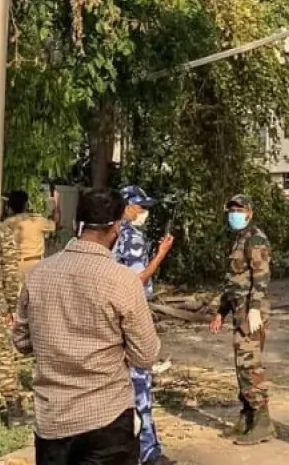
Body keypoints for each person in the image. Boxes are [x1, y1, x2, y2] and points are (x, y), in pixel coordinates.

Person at [15, 189, 160, 465]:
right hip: (107, 419)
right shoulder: (123, 281)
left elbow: (22, 342)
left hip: (53, 421)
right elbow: (146, 354)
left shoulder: (37, 275)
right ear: (116, 227)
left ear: (75, 224)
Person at [112, 185, 175, 465]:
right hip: (131, 316)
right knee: (140, 385)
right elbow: (137, 281)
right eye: (140, 207)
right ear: (126, 207)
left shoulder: (110, 234)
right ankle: (148, 452)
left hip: (110, 318)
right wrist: (161, 253)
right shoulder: (132, 237)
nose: (144, 212)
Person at [208, 194, 273, 445]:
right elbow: (233, 282)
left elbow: (261, 277)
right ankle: (247, 418)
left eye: (239, 210)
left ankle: (262, 422)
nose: (234, 214)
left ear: (249, 213)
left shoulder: (255, 239)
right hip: (239, 311)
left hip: (251, 314)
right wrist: (220, 312)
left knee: (249, 365)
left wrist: (255, 309)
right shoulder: (239, 239)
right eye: (232, 210)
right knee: (241, 366)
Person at [0, 187, 60, 424]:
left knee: (17, 310)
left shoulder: (7, 224)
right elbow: (56, 224)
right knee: (39, 310)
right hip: (36, 265)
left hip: (15, 267)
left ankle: (18, 342)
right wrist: (56, 203)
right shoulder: (36, 220)